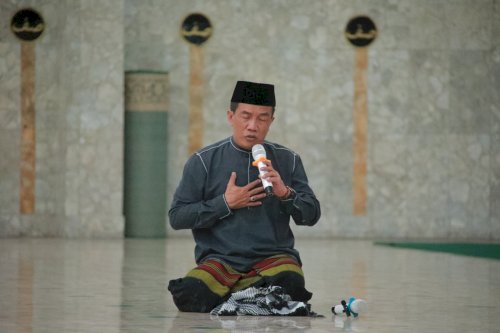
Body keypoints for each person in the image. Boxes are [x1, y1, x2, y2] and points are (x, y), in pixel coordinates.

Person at [167, 80, 321, 313]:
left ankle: (236, 298)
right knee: (190, 295)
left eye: (262, 118)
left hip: (273, 259)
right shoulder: (203, 161)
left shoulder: (288, 160)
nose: (252, 126)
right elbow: (177, 217)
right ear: (231, 116)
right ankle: (252, 297)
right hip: (221, 261)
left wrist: (285, 193)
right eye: (245, 116)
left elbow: (311, 215)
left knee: (291, 284)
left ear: (271, 121)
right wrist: (225, 203)